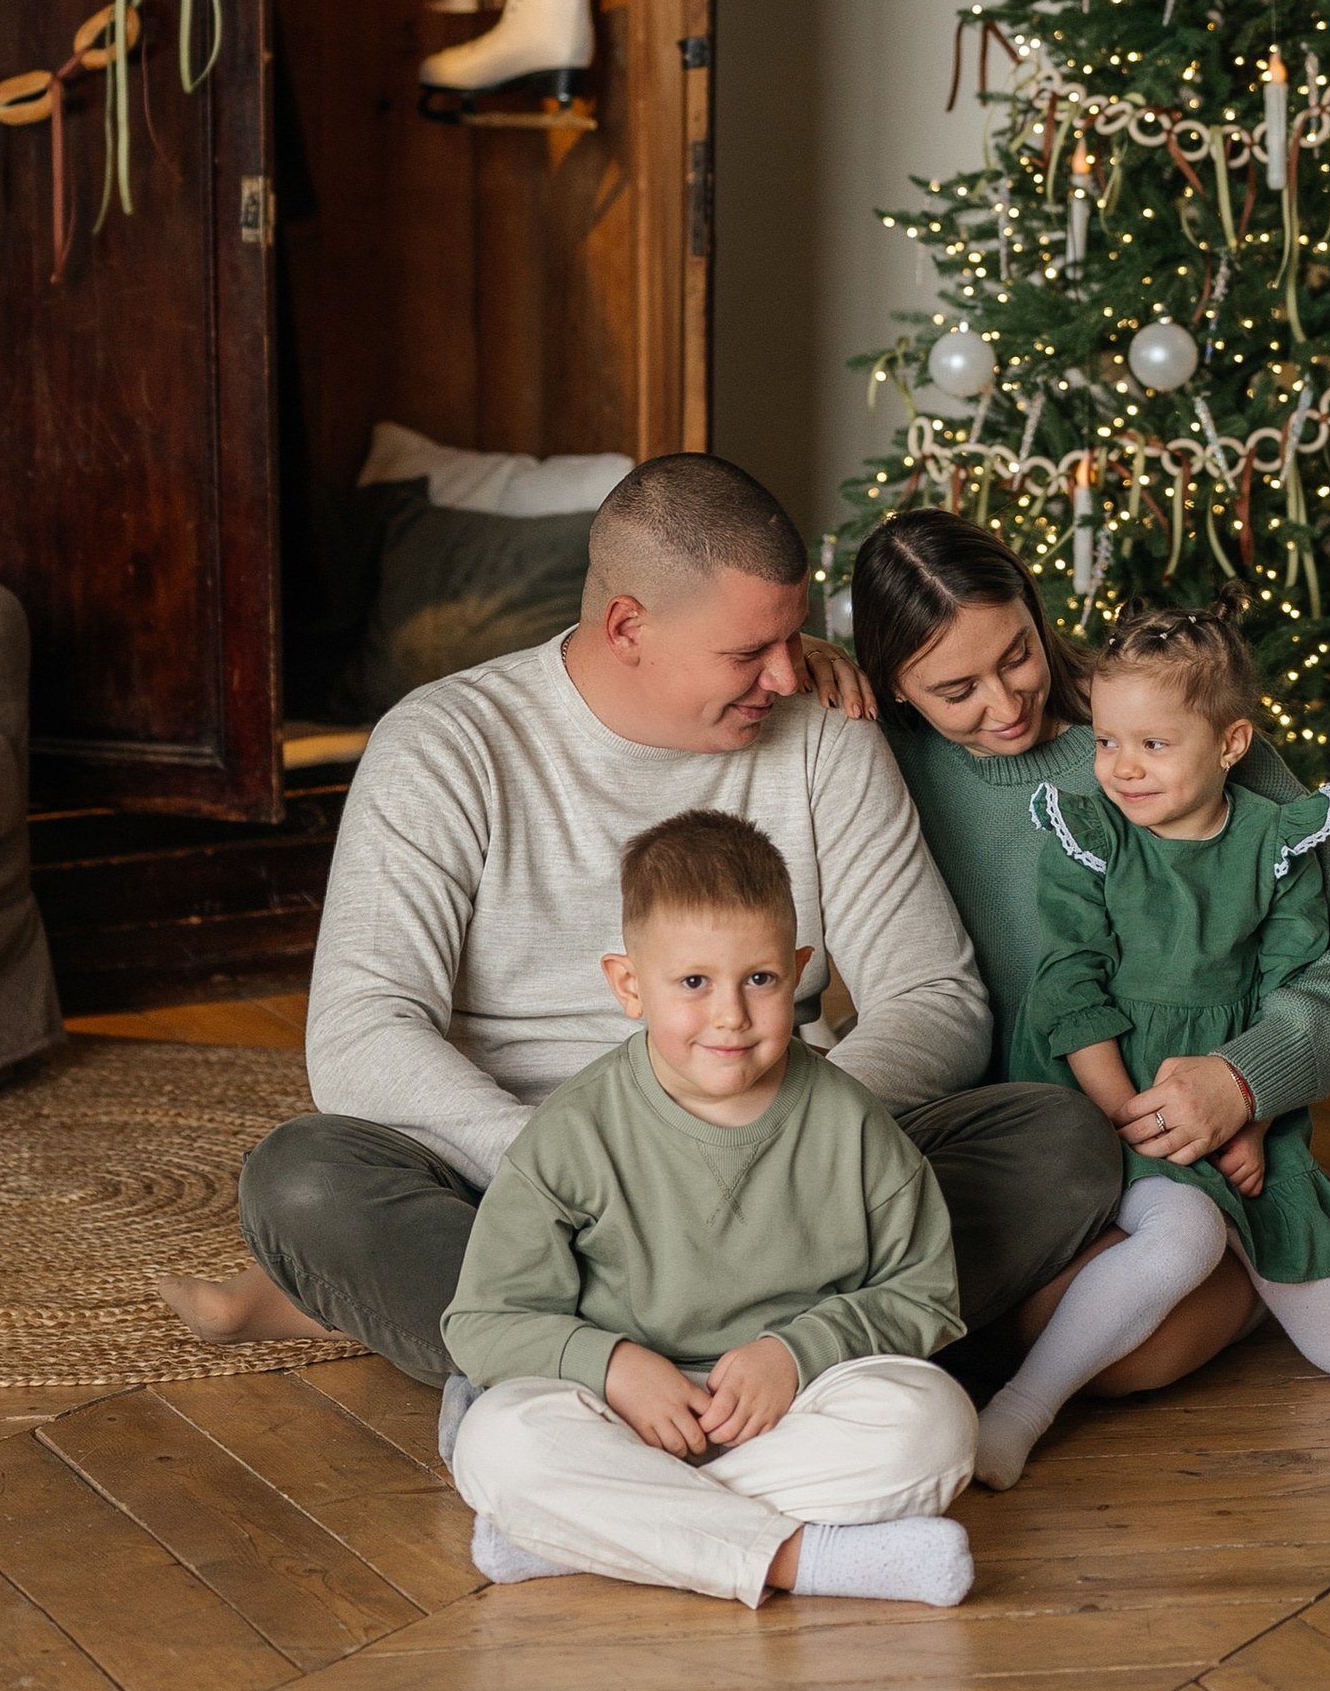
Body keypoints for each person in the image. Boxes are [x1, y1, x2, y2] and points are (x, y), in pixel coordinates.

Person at [167, 455, 1124, 1384]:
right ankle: (774, 1357)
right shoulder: (446, 744)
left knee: (1059, 1142)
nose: (790, 676)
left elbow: (934, 992)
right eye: (750, 652)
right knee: (303, 1180)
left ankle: (581, 1368)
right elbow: (360, 1029)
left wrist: (807, 1143)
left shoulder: (828, 735)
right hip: (524, 1178)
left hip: (786, 1160)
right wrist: (574, 1175)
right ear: (628, 626)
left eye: (795, 637)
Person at [843, 509, 1330, 1409]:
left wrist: (1246, 1077)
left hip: (1189, 1127)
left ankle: (1270, 1266)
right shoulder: (870, 762)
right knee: (1072, 1342)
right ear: (893, 685)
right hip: (1025, 1151)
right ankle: (1281, 1277)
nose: (1005, 704)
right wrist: (802, 660)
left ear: (1035, 610)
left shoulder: (1177, 732)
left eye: (1018, 655)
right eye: (957, 690)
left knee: (1132, 1344)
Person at [444, 811, 979, 1607]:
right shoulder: (573, 1133)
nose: (730, 1014)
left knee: (934, 1422)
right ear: (630, 985)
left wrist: (795, 1355)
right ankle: (805, 1561)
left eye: (759, 979)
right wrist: (615, 1368)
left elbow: (924, 1294)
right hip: (618, 1415)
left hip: (791, 1415)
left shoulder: (853, 1125)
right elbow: (483, 1321)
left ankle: (588, 1534)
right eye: (693, 983)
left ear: (801, 973)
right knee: (501, 1439)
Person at [973, 604, 1330, 1484]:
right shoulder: (1088, 836)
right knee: (1183, 1238)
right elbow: (1069, 989)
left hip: (1234, 1104)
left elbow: (1289, 991)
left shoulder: (1276, 842)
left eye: (1153, 746)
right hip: (1112, 1102)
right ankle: (1017, 1411)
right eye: (1105, 741)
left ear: (1232, 743)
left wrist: (1249, 1110)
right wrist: (1123, 1116)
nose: (1121, 769)